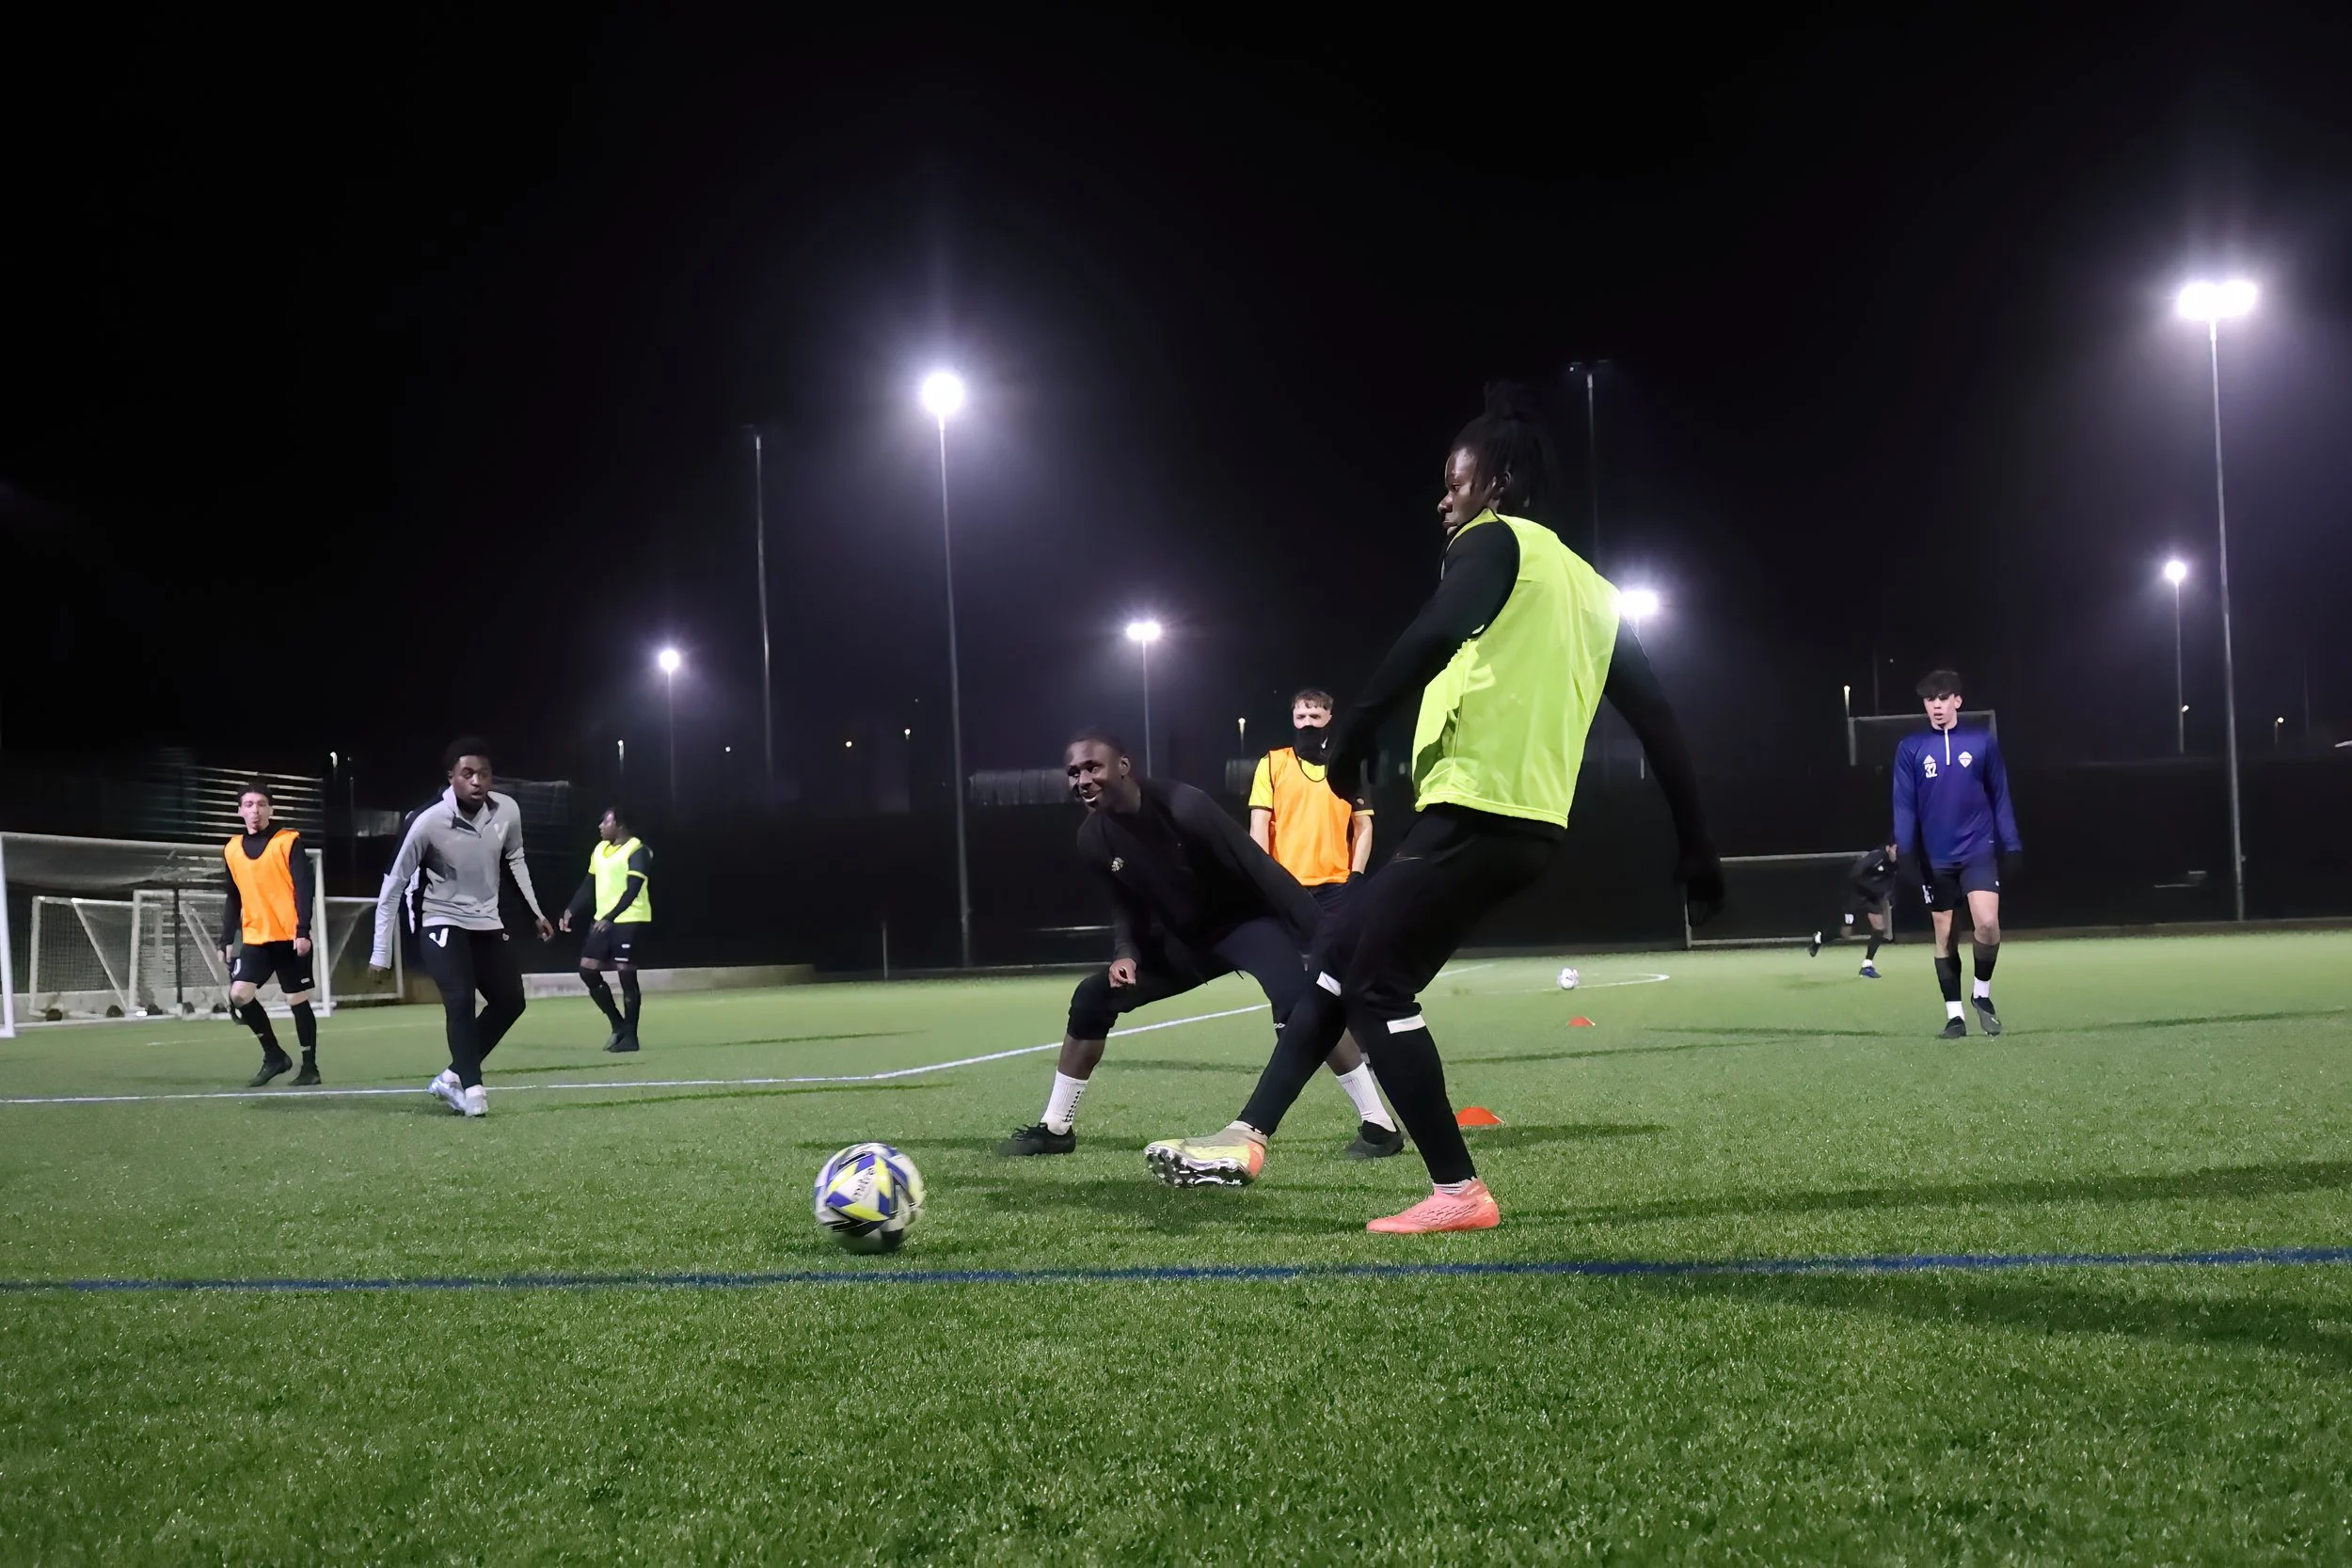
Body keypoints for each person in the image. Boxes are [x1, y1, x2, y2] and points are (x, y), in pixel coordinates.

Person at [1145, 383, 1723, 1234]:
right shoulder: (1596, 592)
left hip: (1478, 812)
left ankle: (1458, 1189)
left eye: (1455, 481)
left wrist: (1353, 737)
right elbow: (1660, 722)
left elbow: (1433, 631)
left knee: (1375, 982)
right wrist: (1697, 842)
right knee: (1338, 956)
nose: (1443, 499)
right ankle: (1246, 1135)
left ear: (1498, 485)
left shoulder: (1492, 542)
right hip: (1525, 824)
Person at [996, 729, 1403, 1161]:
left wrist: (1324, 937)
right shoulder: (1092, 838)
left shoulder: (1184, 806)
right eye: (1073, 772)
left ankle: (1379, 1125)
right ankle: (1056, 1127)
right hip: (1186, 940)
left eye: (1093, 767)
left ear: (1124, 766)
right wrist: (1126, 954)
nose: (1082, 780)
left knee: (1299, 1007)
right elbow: (1125, 904)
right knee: (1092, 998)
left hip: (1246, 924)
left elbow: (1259, 868)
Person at [368, 738, 554, 1117]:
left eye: (484, 774)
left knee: (511, 1002)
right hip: (439, 918)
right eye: (467, 773)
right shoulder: (426, 820)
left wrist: (536, 913)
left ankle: (451, 1076)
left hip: (486, 920)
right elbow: (393, 885)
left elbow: (515, 860)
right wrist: (380, 951)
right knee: (460, 998)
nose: (476, 781)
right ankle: (473, 1091)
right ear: (451, 777)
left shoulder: (507, 811)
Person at [1892, 671, 2020, 1038]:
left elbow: (2000, 796)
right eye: (1930, 700)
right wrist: (1906, 852)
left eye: (1943, 698)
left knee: (1987, 924)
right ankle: (1955, 1017)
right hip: (1936, 857)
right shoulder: (1911, 748)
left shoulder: (1982, 743)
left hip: (1978, 849)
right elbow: (1904, 805)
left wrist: (2012, 844)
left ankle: (1982, 994)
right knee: (1945, 932)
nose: (1936, 706)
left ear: (1957, 701)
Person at [218, 784, 323, 1086]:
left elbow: (303, 888)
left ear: (271, 810)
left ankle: (310, 1068)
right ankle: (274, 1055)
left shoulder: (288, 841)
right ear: (240, 811)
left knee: (296, 998)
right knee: (239, 994)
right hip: (255, 938)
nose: (255, 810)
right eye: (249, 804)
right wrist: (225, 938)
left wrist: (303, 930)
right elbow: (233, 896)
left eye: (262, 804)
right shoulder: (231, 849)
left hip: (290, 937)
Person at [1248, 689, 1375, 907]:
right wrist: (1264, 878)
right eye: (1301, 717)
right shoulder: (1272, 763)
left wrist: (1356, 876)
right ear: (1293, 719)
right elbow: (1259, 824)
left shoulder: (1346, 766)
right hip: (1285, 884)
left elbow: (1363, 825)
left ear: (1329, 718)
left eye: (1315, 716)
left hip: (1336, 886)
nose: (1307, 723)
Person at [561, 807, 651, 1053]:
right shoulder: (599, 850)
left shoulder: (638, 850)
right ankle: (617, 1024)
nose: (601, 826)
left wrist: (612, 916)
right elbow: (588, 884)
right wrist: (571, 909)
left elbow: (633, 889)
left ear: (619, 825)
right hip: (603, 920)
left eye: (606, 821)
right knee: (587, 970)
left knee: (626, 976)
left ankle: (631, 1036)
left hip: (630, 920)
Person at [1807, 843, 1899, 978]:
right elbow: (1854, 874)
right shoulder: (1875, 857)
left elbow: (1890, 883)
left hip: (1871, 897)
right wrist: (1871, 888)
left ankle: (1867, 966)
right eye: (1895, 849)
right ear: (1888, 848)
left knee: (1880, 928)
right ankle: (1818, 938)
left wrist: (1888, 897)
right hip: (1854, 895)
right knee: (1846, 932)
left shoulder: (1895, 864)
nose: (1897, 853)